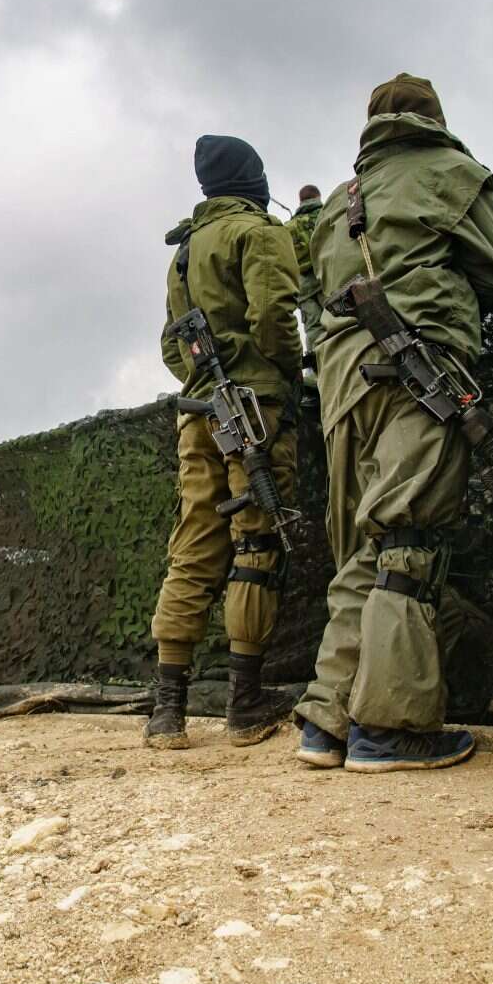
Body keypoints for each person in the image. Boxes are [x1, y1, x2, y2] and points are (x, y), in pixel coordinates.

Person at [292, 74, 493, 771]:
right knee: (408, 540)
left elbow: (321, 291)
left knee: (370, 546)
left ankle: (327, 717)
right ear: (434, 119)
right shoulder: (453, 174)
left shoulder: (341, 201)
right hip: (420, 369)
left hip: (343, 384)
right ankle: (388, 729)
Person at [147, 134, 303, 749]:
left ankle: (167, 710)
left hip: (199, 414)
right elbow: (274, 317)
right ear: (253, 179)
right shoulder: (259, 233)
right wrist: (282, 373)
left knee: (193, 544)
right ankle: (245, 704)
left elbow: (171, 344)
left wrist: (200, 378)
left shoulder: (184, 251)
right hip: (256, 411)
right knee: (255, 542)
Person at [287, 184, 327, 358]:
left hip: (303, 289)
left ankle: (320, 367)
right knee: (339, 322)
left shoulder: (289, 226)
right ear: (317, 197)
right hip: (326, 279)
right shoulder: (326, 215)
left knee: (313, 329)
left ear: (300, 201)